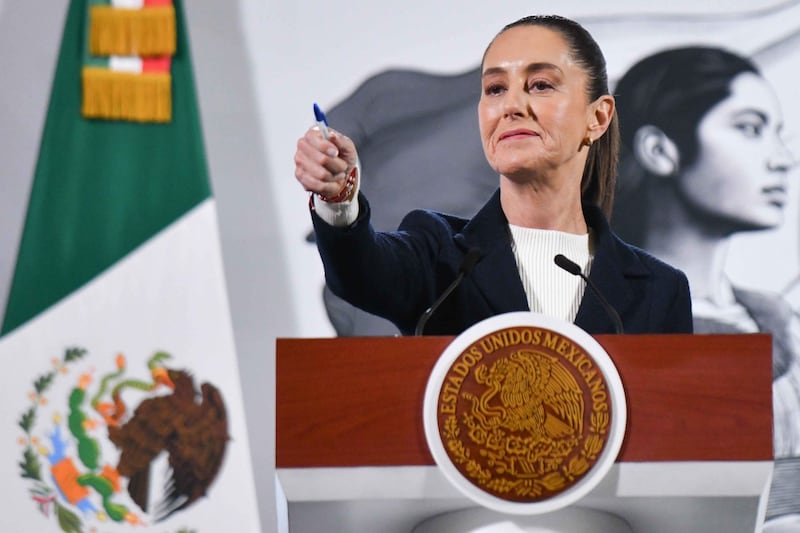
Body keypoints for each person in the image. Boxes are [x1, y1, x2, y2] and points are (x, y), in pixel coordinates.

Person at [293, 14, 693, 337]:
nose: (511, 106)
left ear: (598, 116)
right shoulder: (440, 258)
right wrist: (338, 199)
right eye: (496, 89)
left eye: (539, 85)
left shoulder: (658, 289)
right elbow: (360, 274)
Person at [610, 46, 798, 526]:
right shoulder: (601, 323)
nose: (784, 160)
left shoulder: (781, 321)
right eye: (750, 129)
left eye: (778, 135)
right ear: (660, 149)